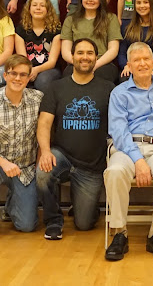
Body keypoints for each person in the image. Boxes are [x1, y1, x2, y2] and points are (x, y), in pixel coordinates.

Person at [104, 42, 153, 261]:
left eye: (146, 59)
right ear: (129, 65)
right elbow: (119, 131)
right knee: (114, 171)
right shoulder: (119, 92)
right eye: (136, 60)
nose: (142, 64)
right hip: (126, 148)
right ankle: (119, 233)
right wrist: (138, 161)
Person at [36, 38, 114, 240]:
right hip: (62, 156)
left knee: (84, 224)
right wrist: (45, 151)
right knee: (43, 172)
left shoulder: (108, 89)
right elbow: (44, 123)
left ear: (96, 58)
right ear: (72, 57)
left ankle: (83, 205)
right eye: (80, 53)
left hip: (91, 166)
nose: (84, 57)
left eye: (89, 53)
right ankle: (54, 221)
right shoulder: (56, 88)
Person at [0, 55, 43, 239]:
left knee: (27, 226)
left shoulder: (38, 99)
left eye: (23, 75)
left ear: (29, 78)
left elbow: (44, 137)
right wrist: (4, 163)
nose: (18, 78)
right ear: (5, 75)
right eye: (13, 73)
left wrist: (38, 166)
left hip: (26, 169)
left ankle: (11, 206)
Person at [60, 0, 122, 83]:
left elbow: (113, 49)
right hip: (77, 63)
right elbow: (65, 51)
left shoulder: (110, 18)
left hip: (102, 63)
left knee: (101, 76)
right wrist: (79, 64)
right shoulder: (70, 19)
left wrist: (95, 65)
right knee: (68, 75)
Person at [15, 0, 62, 92]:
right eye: (34, 5)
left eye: (42, 5)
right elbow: (23, 59)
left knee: (42, 80)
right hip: (27, 68)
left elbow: (52, 62)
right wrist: (29, 71)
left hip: (49, 69)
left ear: (48, 10)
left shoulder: (56, 30)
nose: (38, 8)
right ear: (29, 9)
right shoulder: (20, 30)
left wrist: (36, 70)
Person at [117, 0, 153, 80]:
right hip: (131, 68)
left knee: (151, 80)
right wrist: (127, 66)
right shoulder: (127, 27)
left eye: (145, 2)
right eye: (138, 3)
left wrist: (148, 68)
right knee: (125, 78)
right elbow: (121, 54)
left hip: (152, 68)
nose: (142, 6)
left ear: (152, 4)